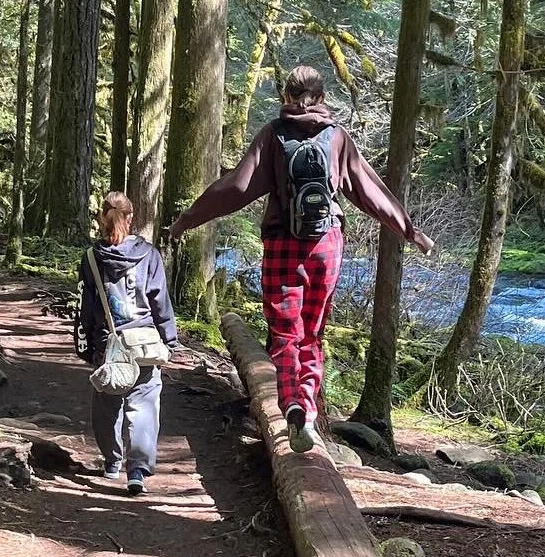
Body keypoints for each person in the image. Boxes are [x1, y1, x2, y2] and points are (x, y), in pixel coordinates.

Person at [168, 65, 434, 453]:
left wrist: (184, 222)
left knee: (285, 333)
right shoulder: (337, 137)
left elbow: (237, 186)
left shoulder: (273, 135)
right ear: (322, 97)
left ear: (285, 97)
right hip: (326, 244)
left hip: (282, 244)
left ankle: (292, 403)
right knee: (312, 334)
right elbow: (370, 192)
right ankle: (307, 409)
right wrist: (411, 231)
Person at [75, 192, 179, 496]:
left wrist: (87, 343)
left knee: (107, 405)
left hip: (109, 345)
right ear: (131, 218)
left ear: (101, 218)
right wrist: (169, 339)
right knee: (144, 405)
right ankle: (137, 472)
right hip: (145, 343)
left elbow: (87, 306)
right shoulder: (149, 255)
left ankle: (112, 462)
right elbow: (161, 302)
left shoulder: (92, 258)